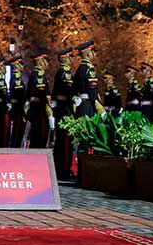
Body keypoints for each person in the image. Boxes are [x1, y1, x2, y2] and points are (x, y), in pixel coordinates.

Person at [51, 47, 74, 179]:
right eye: (70, 57)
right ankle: (63, 169)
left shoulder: (63, 72)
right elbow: (65, 92)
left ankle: (62, 168)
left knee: (62, 141)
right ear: (64, 58)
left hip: (62, 109)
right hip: (64, 110)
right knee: (65, 142)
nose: (71, 59)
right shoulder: (64, 73)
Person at [25, 52, 51, 149]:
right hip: (38, 111)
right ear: (40, 62)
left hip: (40, 110)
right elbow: (35, 96)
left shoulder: (41, 75)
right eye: (46, 61)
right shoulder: (36, 75)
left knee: (41, 137)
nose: (47, 64)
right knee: (39, 137)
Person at [72, 41, 98, 119]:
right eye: (93, 52)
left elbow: (73, 88)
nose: (95, 54)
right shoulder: (89, 69)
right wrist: (99, 107)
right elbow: (92, 91)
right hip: (89, 105)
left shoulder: (79, 69)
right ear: (88, 53)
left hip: (81, 106)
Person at [8, 55, 27, 148]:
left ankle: (17, 147)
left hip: (20, 108)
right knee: (17, 131)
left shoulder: (18, 78)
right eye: (21, 64)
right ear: (16, 65)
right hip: (17, 109)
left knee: (20, 131)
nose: (22, 66)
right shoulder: (15, 79)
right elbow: (17, 94)